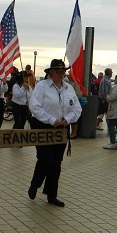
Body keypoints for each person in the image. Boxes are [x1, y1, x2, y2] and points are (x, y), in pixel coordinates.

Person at [27, 59, 82, 207]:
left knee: (57, 162)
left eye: (63, 71)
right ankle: (35, 184)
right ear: (51, 73)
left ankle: (52, 195)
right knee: (45, 159)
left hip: (61, 128)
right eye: (58, 72)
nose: (62, 74)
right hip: (42, 126)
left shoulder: (68, 88)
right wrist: (51, 120)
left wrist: (68, 120)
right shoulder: (41, 86)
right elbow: (35, 107)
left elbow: (76, 109)